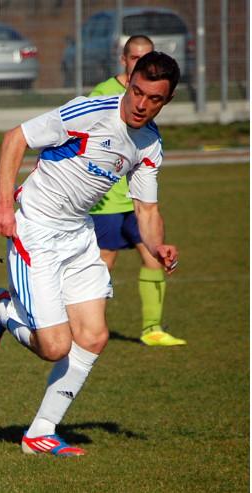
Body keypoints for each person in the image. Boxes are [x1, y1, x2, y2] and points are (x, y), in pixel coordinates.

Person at [0, 51, 180, 456]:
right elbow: (14, 138)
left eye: (154, 99)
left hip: (78, 236)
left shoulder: (149, 144)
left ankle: (40, 433)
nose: (142, 105)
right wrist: (3, 205)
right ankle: (2, 311)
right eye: (138, 92)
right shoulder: (89, 113)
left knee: (92, 337)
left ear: (167, 100)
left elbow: (147, 209)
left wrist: (157, 246)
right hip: (35, 229)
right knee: (54, 346)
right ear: (129, 81)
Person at [89, 35, 185, 347]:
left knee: (153, 255)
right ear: (125, 60)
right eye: (133, 58)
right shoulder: (104, 94)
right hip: (106, 202)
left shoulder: (151, 94)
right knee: (103, 264)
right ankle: (90, 327)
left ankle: (152, 328)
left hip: (136, 201)